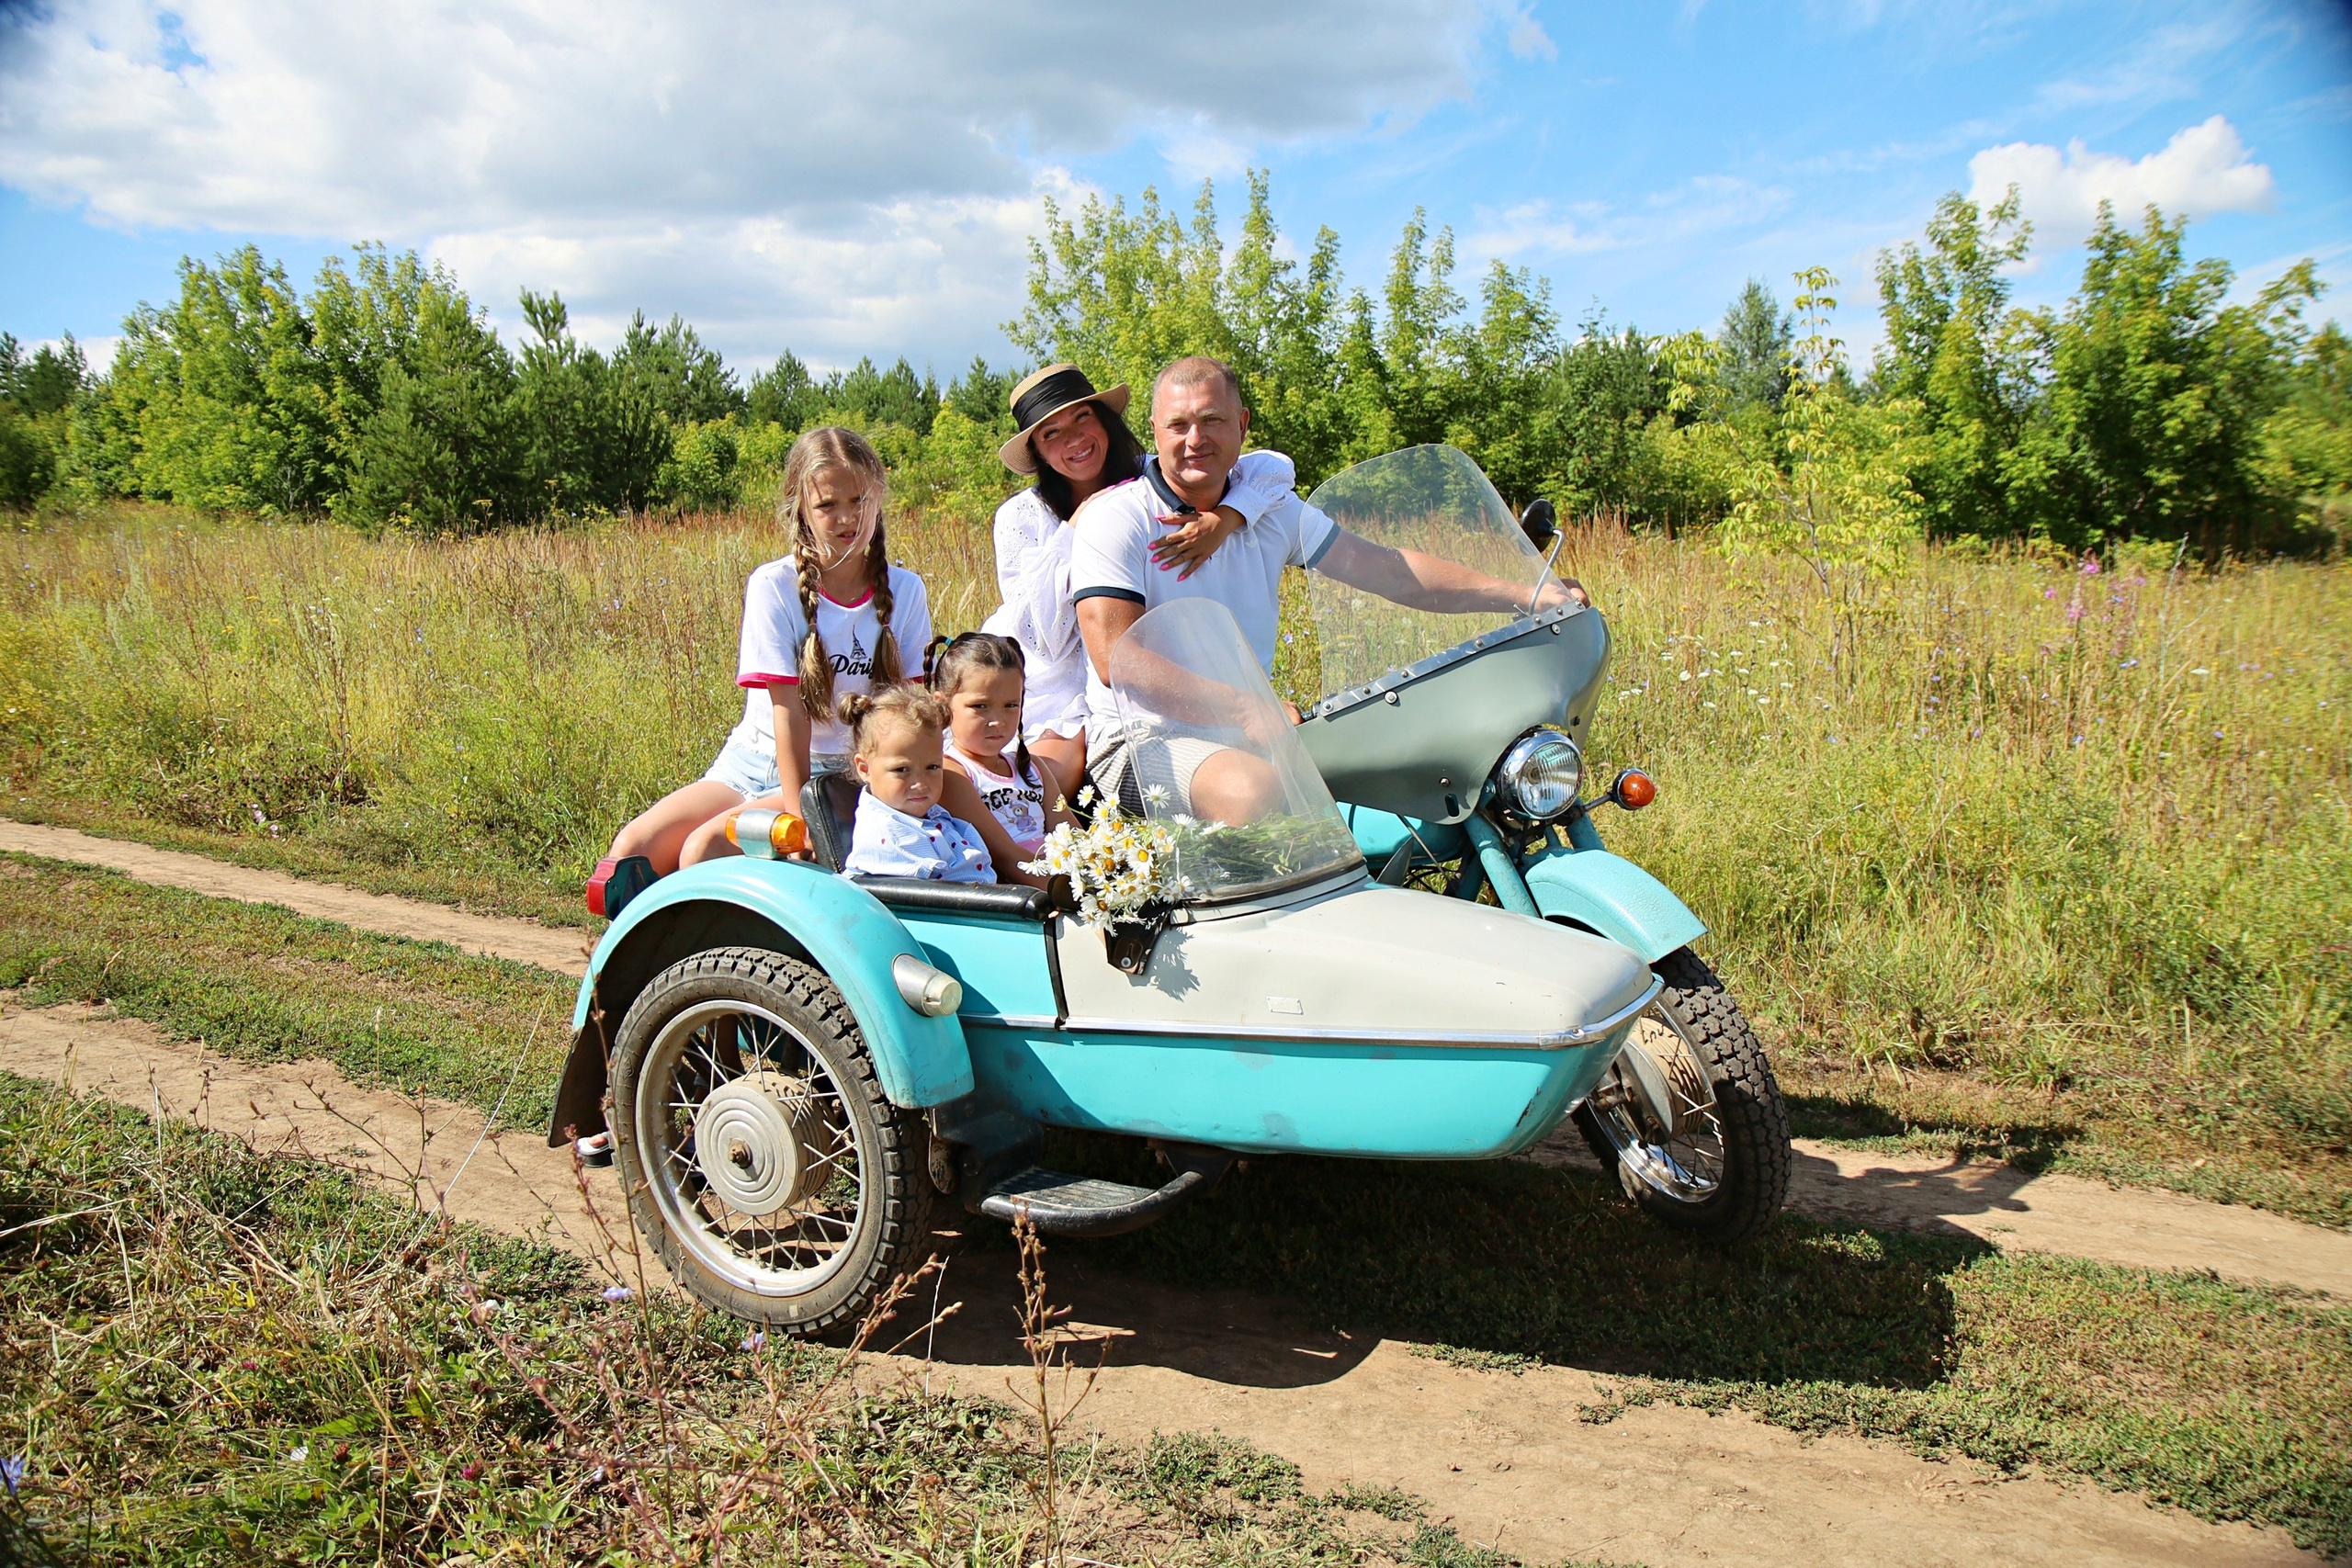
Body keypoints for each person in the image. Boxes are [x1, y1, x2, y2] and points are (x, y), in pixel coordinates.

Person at [1068, 355, 1589, 823]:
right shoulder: (1118, 519)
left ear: (1242, 425)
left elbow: (1389, 570)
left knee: (1432, 779)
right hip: (1142, 739)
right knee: (1251, 793)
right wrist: (1246, 708)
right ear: (1154, 431)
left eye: (1212, 420)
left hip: (1252, 732)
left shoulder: (1270, 511)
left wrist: (1527, 594)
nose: (1195, 439)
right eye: (1178, 425)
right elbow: (1118, 660)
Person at [596, 426, 932, 899]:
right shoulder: (773, 585)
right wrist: (798, 817)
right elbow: (787, 712)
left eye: (859, 500)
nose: (847, 517)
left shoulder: (906, 589)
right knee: (631, 852)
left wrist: (803, 819)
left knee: (702, 851)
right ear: (800, 509)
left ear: (878, 496)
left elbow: (909, 707)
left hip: (838, 773)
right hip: (754, 761)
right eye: (827, 505)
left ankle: (737, 946)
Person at [983, 363, 1298, 786]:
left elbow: (1274, 469)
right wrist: (1079, 524)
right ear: (1038, 451)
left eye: (1083, 418)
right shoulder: (1022, 516)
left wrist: (1225, 518)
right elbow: (1035, 633)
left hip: (1153, 681)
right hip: (1062, 686)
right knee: (1050, 781)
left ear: (1105, 420)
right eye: (1051, 434)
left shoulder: (1155, 474)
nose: (1074, 440)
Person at [930, 631, 1075, 887]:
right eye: (980, 706)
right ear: (942, 705)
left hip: (1060, 882)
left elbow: (1074, 838)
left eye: (1010, 705)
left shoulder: (1033, 768)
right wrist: (1078, 895)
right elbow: (1005, 857)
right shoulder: (951, 773)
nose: (997, 721)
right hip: (1017, 893)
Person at [838, 686, 995, 884]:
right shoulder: (892, 834)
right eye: (902, 770)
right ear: (864, 768)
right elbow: (924, 896)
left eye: (932, 767)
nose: (920, 783)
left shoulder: (926, 815)